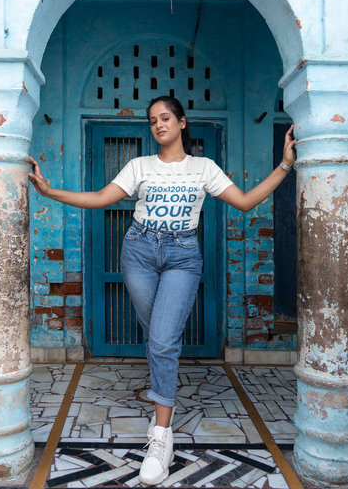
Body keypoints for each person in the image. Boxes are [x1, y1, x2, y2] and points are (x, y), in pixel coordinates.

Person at [29, 95, 296, 486]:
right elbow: (103, 199)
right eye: (153, 120)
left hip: (183, 255)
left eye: (166, 117)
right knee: (159, 338)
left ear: (182, 122)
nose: (159, 125)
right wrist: (50, 192)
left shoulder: (203, 168)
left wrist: (285, 165)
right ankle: (164, 407)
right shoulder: (139, 166)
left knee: (162, 342)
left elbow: (244, 202)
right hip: (137, 250)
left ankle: (160, 438)